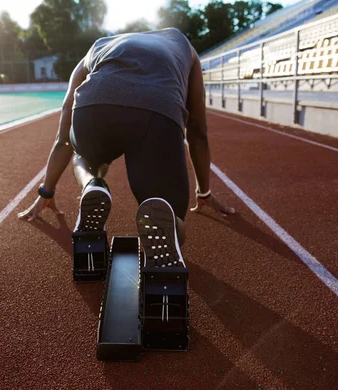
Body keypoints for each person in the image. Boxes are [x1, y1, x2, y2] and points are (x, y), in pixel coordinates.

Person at [19, 28, 235, 269]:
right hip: (157, 112)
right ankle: (167, 225)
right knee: (169, 215)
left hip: (94, 107)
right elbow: (198, 129)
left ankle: (92, 184)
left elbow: (63, 138)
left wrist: (46, 192)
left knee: (82, 155)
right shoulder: (184, 46)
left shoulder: (99, 46)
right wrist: (203, 191)